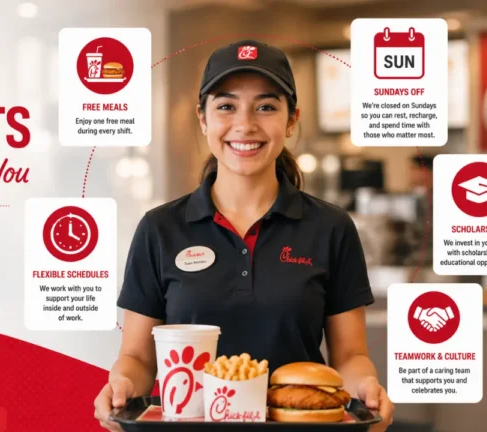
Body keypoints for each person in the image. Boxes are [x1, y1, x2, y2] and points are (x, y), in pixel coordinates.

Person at [93, 39, 394, 431]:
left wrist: (366, 389)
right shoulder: (160, 229)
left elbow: (350, 355)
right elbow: (138, 357)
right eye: (226, 106)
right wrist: (121, 385)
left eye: (266, 107)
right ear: (203, 119)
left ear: (291, 120)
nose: (245, 124)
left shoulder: (331, 228)